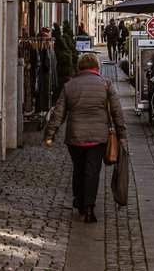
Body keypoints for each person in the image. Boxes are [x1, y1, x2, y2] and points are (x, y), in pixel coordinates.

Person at [43, 52, 125, 223]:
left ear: (79, 67)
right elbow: (117, 112)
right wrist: (121, 134)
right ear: (97, 67)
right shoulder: (106, 85)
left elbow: (58, 114)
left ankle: (79, 199)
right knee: (92, 171)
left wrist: (50, 135)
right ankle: (89, 209)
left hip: (75, 136)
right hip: (98, 137)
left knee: (79, 168)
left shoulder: (69, 86)